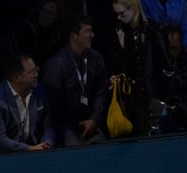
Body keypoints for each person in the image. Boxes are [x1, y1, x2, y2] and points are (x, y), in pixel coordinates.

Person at [104, 0, 173, 136]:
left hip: (154, 98)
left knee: (157, 138)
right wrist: (122, 49)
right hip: (134, 101)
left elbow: (167, 70)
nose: (119, 17)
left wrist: (165, 101)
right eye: (116, 14)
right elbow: (125, 68)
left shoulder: (153, 31)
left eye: (121, 13)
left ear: (133, 7)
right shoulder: (124, 33)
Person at [41, 15, 109, 146]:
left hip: (91, 121)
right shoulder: (57, 64)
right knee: (75, 148)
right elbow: (54, 105)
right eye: (88, 31)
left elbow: (102, 91)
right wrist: (77, 123)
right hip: (66, 124)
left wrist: (94, 118)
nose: (92, 35)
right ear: (74, 36)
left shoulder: (96, 58)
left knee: (101, 146)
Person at [0, 54, 55, 153]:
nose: (37, 74)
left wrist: (47, 143)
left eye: (36, 69)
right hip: (2, 154)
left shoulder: (40, 92)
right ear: (17, 78)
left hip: (35, 149)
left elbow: (48, 126)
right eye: (31, 72)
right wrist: (29, 149)